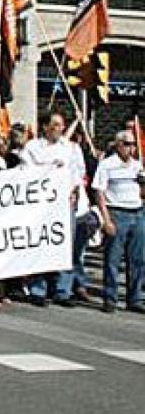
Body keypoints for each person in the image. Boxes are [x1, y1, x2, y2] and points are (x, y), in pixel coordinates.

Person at [20, 111, 87, 307]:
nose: (60, 128)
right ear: (45, 126)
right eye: (56, 124)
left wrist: (74, 189)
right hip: (41, 205)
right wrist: (49, 167)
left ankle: (63, 290)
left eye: (62, 125)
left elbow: (78, 172)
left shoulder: (70, 148)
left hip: (65, 204)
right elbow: (26, 172)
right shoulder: (32, 147)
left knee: (66, 246)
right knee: (40, 243)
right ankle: (38, 288)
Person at [93, 130, 145, 314]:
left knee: (138, 259)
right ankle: (110, 297)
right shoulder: (107, 165)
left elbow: (142, 193)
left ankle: (135, 298)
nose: (131, 148)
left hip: (137, 212)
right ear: (118, 145)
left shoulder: (137, 165)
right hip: (117, 212)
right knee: (113, 259)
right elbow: (99, 192)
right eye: (127, 144)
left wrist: (142, 183)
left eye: (132, 144)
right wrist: (106, 219)